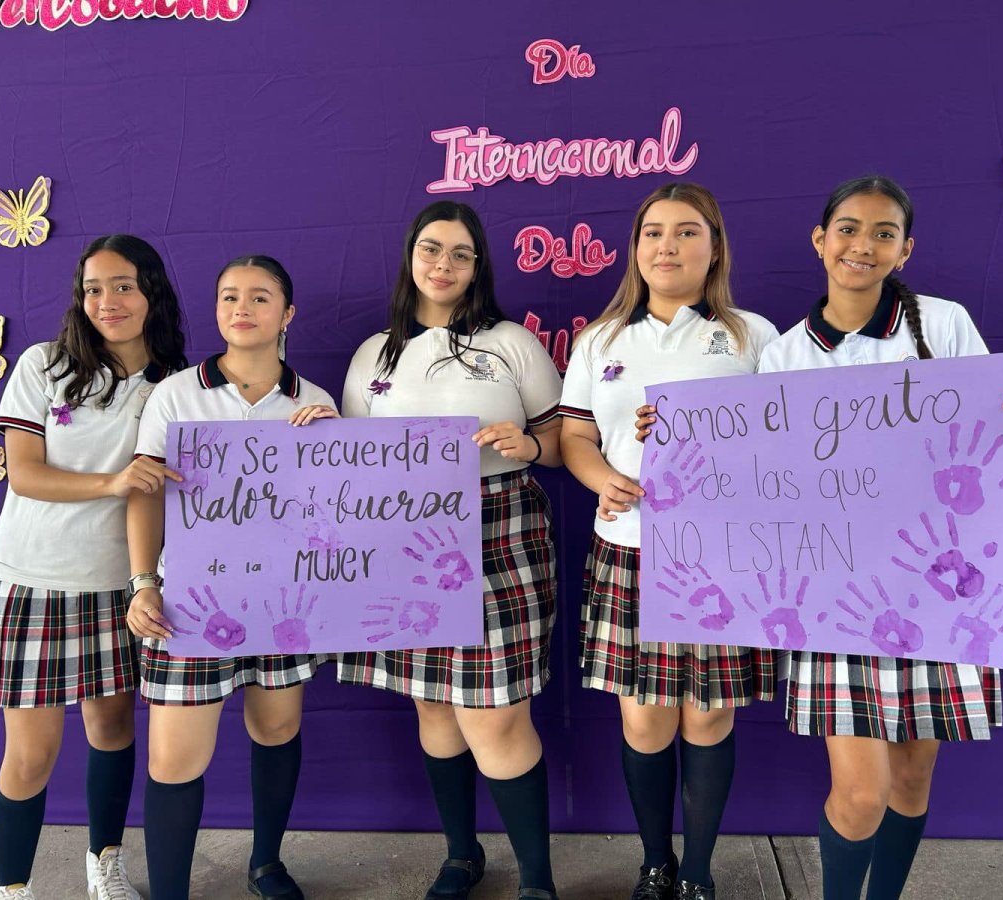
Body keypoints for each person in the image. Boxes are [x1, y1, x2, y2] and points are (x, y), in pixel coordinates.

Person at [752, 175, 1003, 900]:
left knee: (912, 781)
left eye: (884, 233)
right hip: (837, 594)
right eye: (848, 229)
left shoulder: (943, 325)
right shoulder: (784, 356)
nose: (864, 245)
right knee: (861, 794)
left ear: (905, 250)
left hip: (938, 584)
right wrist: (674, 439)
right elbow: (758, 473)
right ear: (820, 240)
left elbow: (986, 438)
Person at [559, 182, 779, 900]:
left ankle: (699, 871)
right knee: (645, 718)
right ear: (635, 248)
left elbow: (788, 437)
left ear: (714, 248)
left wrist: (709, 435)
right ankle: (655, 863)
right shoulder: (601, 340)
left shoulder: (753, 336)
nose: (667, 246)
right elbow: (575, 435)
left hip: (722, 552)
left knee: (709, 714)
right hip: (629, 548)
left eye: (687, 232)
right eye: (654, 232)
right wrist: (604, 478)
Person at [338, 201, 564, 900]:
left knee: (497, 713)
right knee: (433, 706)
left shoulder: (512, 343)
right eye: (431, 249)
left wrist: (529, 444)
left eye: (460, 253)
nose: (443, 264)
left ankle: (537, 882)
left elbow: (561, 441)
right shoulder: (374, 354)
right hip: (405, 538)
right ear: (411, 255)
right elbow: (355, 462)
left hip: (500, 529)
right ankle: (463, 856)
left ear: (478, 266)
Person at [0, 234, 187, 900]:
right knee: (30, 755)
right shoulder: (45, 364)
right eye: (93, 289)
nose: (107, 301)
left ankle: (105, 863)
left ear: (151, 293)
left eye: (123, 286)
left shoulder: (175, 384)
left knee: (114, 732)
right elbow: (25, 474)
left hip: (120, 586)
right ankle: (11, 887)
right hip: (32, 580)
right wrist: (113, 482)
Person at [126, 255, 337, 900]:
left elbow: (337, 513)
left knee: (276, 729)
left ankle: (266, 863)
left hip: (283, 599)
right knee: (173, 758)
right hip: (190, 599)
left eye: (259, 297)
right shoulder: (175, 394)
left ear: (287, 313)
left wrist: (334, 449)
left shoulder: (315, 402)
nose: (242, 308)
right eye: (228, 296)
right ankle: (170, 891)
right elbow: (145, 493)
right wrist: (143, 581)